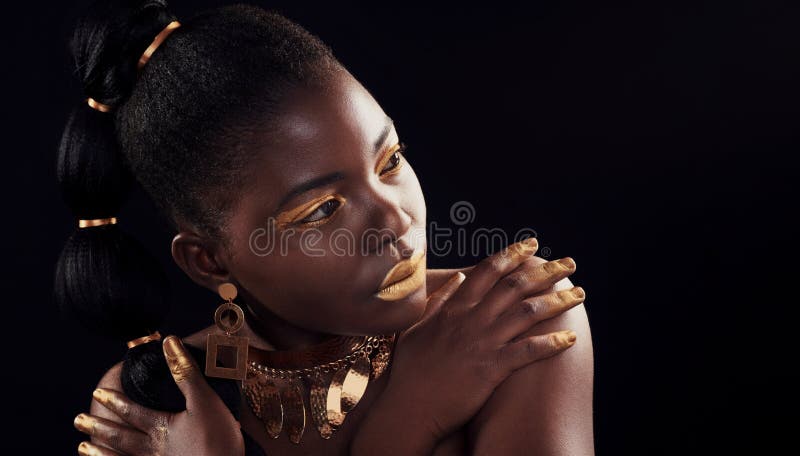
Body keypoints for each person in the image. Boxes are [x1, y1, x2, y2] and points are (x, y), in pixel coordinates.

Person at [56, 1, 594, 455]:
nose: (395, 220)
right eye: (321, 210)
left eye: (390, 161)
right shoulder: (160, 403)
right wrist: (413, 413)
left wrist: (411, 409)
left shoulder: (516, 322)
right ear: (210, 260)